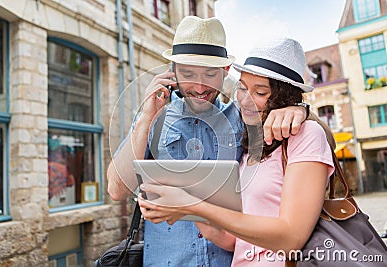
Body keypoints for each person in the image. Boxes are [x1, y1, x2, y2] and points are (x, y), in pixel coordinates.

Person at [107, 16, 309, 266]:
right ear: (173, 70)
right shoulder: (152, 117)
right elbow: (116, 190)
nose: (200, 86)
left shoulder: (242, 117)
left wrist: (299, 110)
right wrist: (147, 116)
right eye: (189, 74)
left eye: (210, 74)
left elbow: (314, 142)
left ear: (225, 72)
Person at [138, 37, 336, 266]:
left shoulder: (306, 134)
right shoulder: (251, 146)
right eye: (242, 87)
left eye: (260, 92)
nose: (245, 100)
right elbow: (235, 241)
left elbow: (290, 237)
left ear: (285, 97)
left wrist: (302, 111)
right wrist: (181, 205)